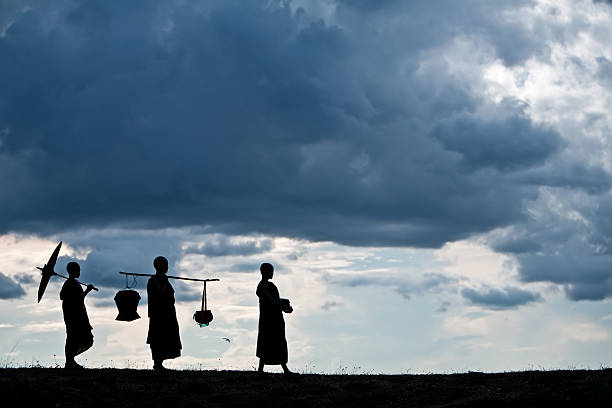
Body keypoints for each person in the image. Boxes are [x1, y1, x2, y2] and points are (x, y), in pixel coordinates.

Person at [256, 262, 296, 375]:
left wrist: (284, 305)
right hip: (268, 319)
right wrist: (283, 306)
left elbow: (275, 300)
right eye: (270, 271)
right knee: (267, 342)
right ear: (263, 272)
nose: (272, 273)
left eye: (272, 271)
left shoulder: (269, 285)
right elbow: (271, 301)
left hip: (275, 318)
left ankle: (283, 369)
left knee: (278, 342)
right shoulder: (262, 286)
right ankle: (262, 369)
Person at [147, 256, 182, 370]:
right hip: (158, 315)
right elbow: (161, 293)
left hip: (168, 314)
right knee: (158, 339)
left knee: (167, 338)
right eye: (164, 264)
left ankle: (159, 363)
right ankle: (157, 364)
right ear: (157, 266)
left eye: (167, 264)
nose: (166, 267)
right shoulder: (153, 280)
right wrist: (165, 281)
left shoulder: (162, 279)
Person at [60, 262, 94, 369]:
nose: (79, 272)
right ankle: (69, 361)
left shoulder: (73, 284)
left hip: (76, 315)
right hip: (74, 316)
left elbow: (79, 299)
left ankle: (70, 360)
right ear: (73, 271)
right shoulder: (69, 284)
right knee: (75, 338)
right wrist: (87, 291)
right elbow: (70, 299)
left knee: (77, 338)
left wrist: (86, 291)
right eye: (78, 270)